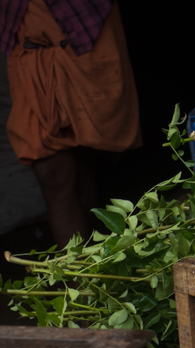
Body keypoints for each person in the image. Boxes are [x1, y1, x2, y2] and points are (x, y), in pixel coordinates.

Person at [0, 0, 141, 247]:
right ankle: (79, 278)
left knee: (85, 163)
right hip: (28, 42)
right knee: (53, 173)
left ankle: (97, 269)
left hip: (86, 31)